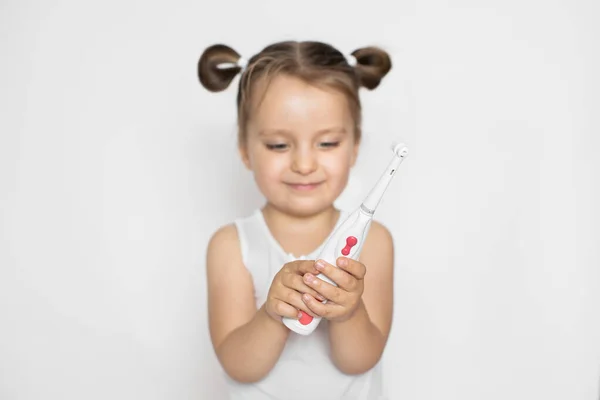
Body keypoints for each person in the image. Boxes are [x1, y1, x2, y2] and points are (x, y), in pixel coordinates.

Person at [198, 40, 395, 400]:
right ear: (244, 149)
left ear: (354, 146)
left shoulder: (375, 242)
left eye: (327, 143)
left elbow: (360, 360)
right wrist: (272, 315)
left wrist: (348, 314)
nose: (304, 165)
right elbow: (238, 365)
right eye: (278, 145)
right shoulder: (231, 246)